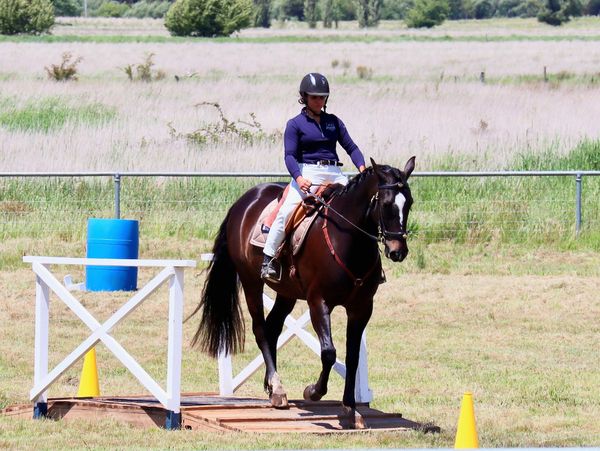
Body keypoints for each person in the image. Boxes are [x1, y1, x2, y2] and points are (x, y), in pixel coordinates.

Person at [261, 72, 367, 281]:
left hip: (335, 172)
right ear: (304, 97)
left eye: (322, 97)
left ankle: (369, 260)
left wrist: (362, 168)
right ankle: (268, 260)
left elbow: (351, 147)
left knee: (362, 207)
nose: (319, 101)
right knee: (286, 211)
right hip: (307, 171)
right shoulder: (295, 124)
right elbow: (289, 156)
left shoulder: (334, 122)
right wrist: (299, 179)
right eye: (314, 97)